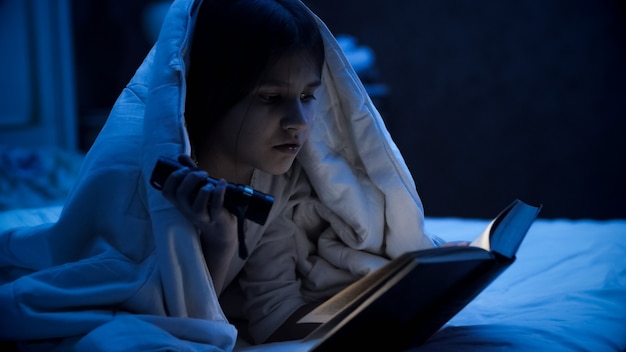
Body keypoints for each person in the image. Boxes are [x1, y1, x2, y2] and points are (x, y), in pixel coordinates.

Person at [0, 0, 435, 349]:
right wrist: (221, 242)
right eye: (270, 97)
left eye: (307, 96)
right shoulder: (139, 179)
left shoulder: (276, 180)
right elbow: (167, 318)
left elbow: (274, 317)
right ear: (213, 92)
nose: (299, 121)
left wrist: (393, 312)